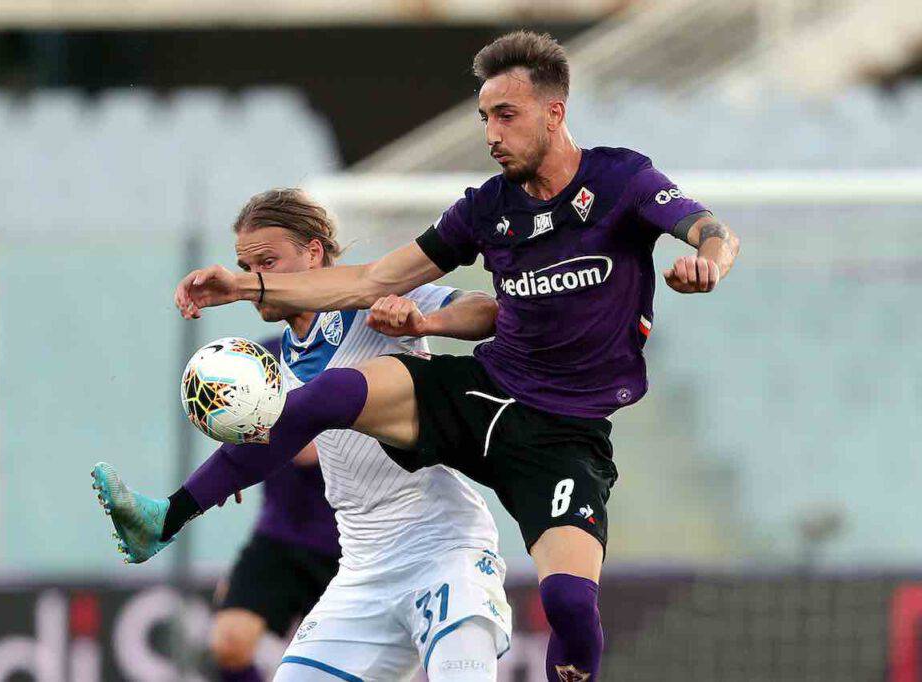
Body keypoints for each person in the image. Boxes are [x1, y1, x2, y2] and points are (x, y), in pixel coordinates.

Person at [163, 30, 742, 682]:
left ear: (554, 112)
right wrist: (241, 286)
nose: (491, 133)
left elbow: (712, 231)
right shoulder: (484, 208)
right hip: (487, 394)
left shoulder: (621, 180)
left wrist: (708, 264)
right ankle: (172, 512)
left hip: (566, 434)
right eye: (484, 117)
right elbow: (374, 278)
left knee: (570, 604)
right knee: (328, 394)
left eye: (506, 115)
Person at [93, 188, 512, 681]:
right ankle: (165, 519)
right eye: (246, 268)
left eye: (267, 262)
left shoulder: (374, 295)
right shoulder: (269, 362)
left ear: (314, 252)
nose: (256, 280)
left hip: (442, 545)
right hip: (362, 565)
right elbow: (273, 442)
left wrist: (426, 320)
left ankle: (166, 518)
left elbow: (485, 310)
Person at [210, 336, 341, 682]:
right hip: (279, 537)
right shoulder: (264, 357)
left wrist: (246, 447)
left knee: (337, 669)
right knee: (230, 641)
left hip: (349, 547)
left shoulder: (355, 352)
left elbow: (308, 449)